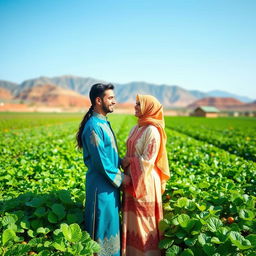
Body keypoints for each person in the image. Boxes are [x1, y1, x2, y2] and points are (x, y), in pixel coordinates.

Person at [76, 83, 130, 256]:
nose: (114, 101)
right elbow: (101, 162)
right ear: (98, 100)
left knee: (111, 226)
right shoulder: (94, 126)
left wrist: (122, 161)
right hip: (101, 189)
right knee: (102, 230)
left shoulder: (103, 123)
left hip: (109, 187)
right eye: (110, 98)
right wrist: (123, 179)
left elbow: (107, 154)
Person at [121, 94, 170, 256]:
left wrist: (128, 161)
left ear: (149, 108)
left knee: (144, 223)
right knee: (133, 223)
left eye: (138, 104)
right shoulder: (136, 127)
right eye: (135, 104)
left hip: (145, 181)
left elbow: (148, 161)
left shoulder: (153, 130)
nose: (135, 107)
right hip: (131, 180)